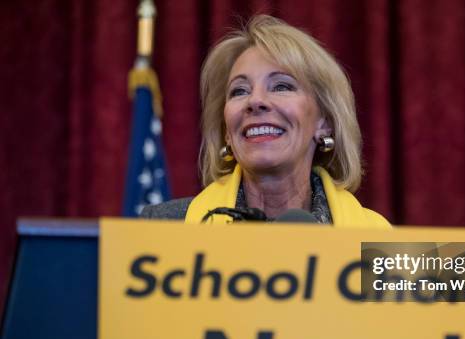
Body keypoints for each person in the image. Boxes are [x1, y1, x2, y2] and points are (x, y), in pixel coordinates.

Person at [141, 15, 390, 228]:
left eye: (281, 86)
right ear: (227, 131)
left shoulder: (380, 240)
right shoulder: (163, 226)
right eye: (239, 91)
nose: (255, 100)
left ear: (324, 121)